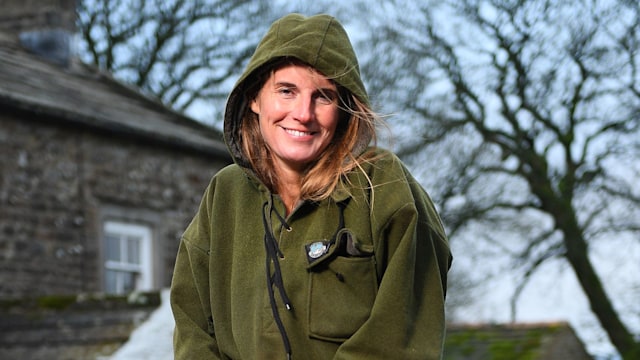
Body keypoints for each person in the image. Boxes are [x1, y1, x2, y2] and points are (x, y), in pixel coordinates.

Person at [170, 13, 452, 360]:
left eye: (324, 96)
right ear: (255, 99)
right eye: (286, 91)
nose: (304, 113)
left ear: (345, 109)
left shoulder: (383, 185)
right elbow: (192, 322)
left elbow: (403, 334)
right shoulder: (224, 194)